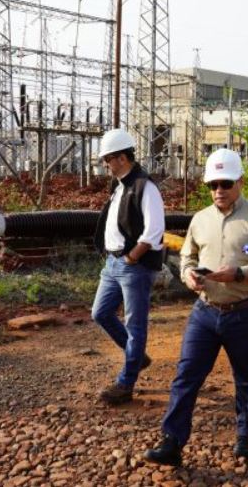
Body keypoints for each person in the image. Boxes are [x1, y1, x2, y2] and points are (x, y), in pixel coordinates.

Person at [143, 148, 248, 465]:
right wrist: (188, 275)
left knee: (246, 376)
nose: (218, 190)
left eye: (225, 183)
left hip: (245, 312)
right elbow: (187, 257)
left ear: (240, 182)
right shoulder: (201, 219)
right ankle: (172, 440)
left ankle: (247, 434)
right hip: (205, 313)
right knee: (186, 376)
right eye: (213, 185)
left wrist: (240, 273)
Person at [90, 128, 165, 405]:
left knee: (135, 325)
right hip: (113, 263)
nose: (106, 165)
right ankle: (137, 357)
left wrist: (133, 257)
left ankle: (126, 382)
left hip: (133, 265)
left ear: (121, 157)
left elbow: (154, 230)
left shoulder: (146, 186)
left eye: (107, 159)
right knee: (100, 313)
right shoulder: (120, 185)